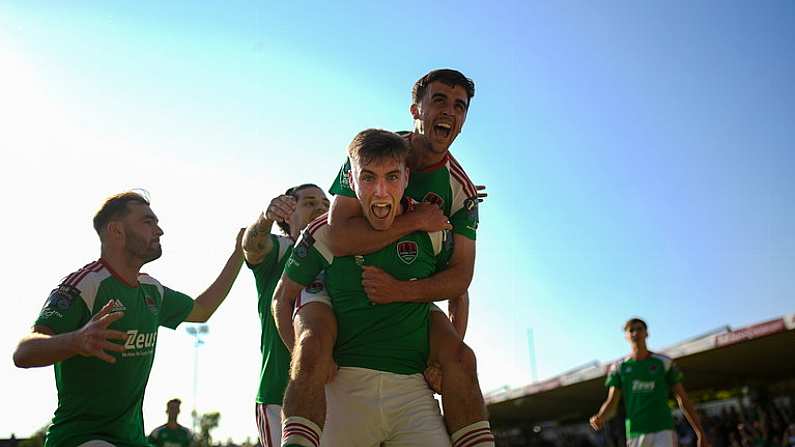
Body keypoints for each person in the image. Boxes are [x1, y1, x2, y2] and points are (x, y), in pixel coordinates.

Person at [280, 68, 493, 447]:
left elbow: (460, 281)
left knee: (462, 359)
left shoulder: (460, 192)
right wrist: (413, 220)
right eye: (439, 100)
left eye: (459, 106)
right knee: (311, 344)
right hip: (343, 300)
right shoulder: (372, 153)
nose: (449, 111)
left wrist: (399, 292)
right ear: (416, 109)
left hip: (409, 317)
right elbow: (339, 237)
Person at [12, 191, 244, 447]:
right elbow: (24, 352)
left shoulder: (152, 291)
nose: (160, 230)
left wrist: (239, 254)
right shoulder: (85, 285)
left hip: (132, 440)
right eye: (148, 222)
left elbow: (201, 310)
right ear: (116, 231)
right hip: (82, 439)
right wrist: (76, 341)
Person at [241, 184, 329, 447]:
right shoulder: (280, 249)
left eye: (326, 204)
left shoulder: (338, 257)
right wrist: (265, 218)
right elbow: (251, 245)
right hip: (280, 393)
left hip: (333, 392)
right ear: (287, 214)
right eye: (310, 202)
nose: (321, 208)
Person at [590, 318, 710, 447]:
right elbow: (612, 402)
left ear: (647, 333)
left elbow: (682, 398)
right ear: (626, 336)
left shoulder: (664, 363)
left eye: (639, 329)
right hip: (635, 432)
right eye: (631, 330)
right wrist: (600, 416)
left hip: (663, 430)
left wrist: (700, 432)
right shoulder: (619, 368)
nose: (636, 333)